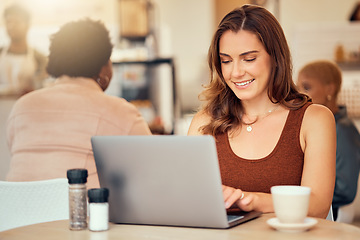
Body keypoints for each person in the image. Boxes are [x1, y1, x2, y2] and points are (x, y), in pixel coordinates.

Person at [187, 4, 336, 219]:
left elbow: (318, 206)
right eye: (226, 61)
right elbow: (189, 199)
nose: (236, 72)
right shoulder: (205, 122)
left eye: (249, 59)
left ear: (275, 58)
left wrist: (247, 200)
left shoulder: (314, 120)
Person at [6, 18, 152, 188]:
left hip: (17, 211)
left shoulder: (21, 107)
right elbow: (151, 167)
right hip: (82, 212)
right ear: (104, 65)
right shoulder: (122, 112)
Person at [297, 60, 360, 220]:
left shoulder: (343, 131)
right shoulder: (310, 124)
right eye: (297, 87)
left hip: (332, 214)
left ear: (329, 89)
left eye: (306, 87)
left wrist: (304, 199)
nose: (299, 93)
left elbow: (345, 190)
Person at [0, 4, 47, 97]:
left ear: (27, 25)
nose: (11, 26)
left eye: (16, 22)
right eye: (8, 22)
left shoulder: (40, 58)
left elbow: (42, 88)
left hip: (27, 109)